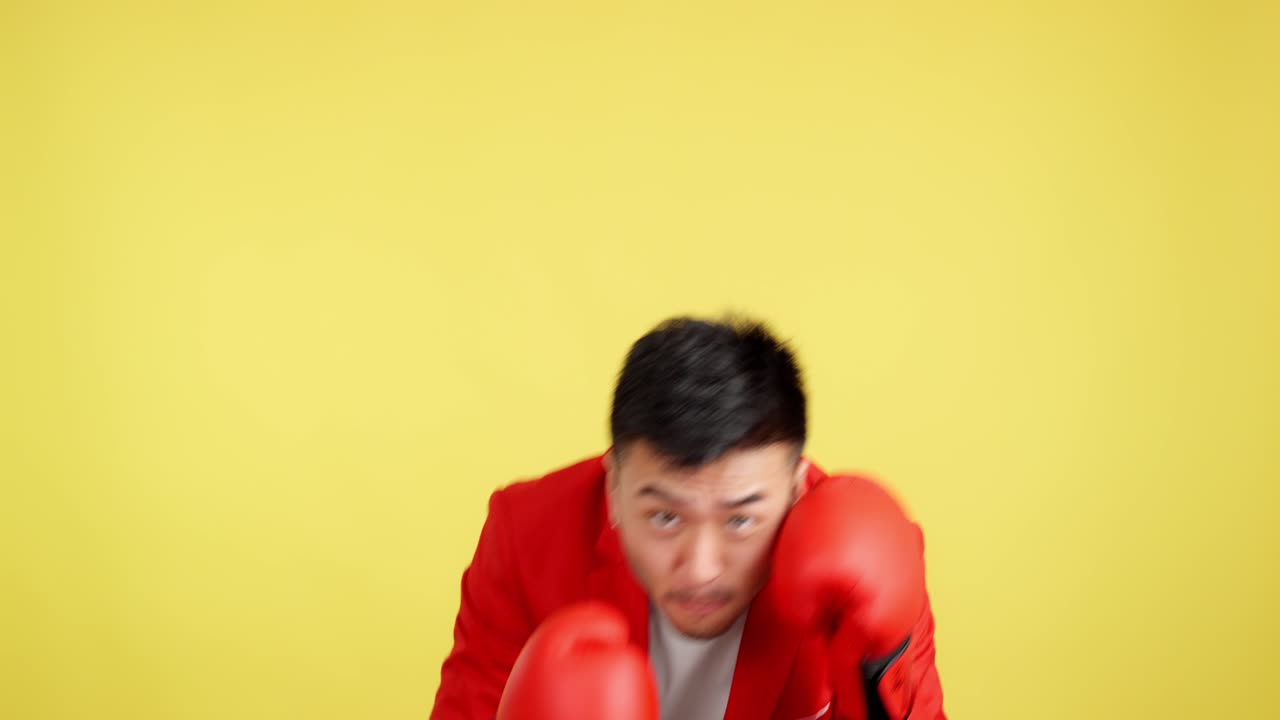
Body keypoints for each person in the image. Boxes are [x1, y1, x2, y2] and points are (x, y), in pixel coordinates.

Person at [430, 316, 945, 720]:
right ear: (613, 487)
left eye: (740, 521)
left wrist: (879, 665)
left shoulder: (867, 550)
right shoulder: (528, 535)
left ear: (795, 489)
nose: (700, 568)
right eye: (664, 517)